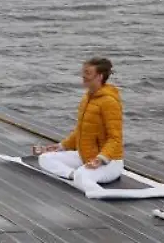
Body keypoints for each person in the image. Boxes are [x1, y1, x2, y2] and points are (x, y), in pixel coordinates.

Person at [35, 57, 124, 193]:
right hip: (86, 156)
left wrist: (100, 159)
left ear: (99, 76)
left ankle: (84, 180)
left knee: (83, 174)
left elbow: (115, 138)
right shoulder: (87, 98)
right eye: (83, 72)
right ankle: (74, 176)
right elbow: (81, 131)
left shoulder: (109, 102)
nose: (83, 76)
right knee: (45, 158)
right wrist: (61, 146)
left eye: (88, 73)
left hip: (110, 162)